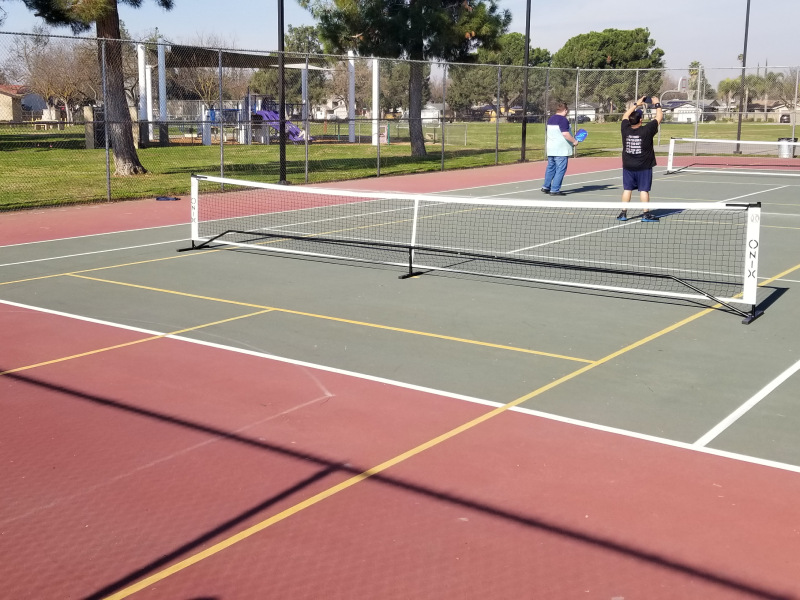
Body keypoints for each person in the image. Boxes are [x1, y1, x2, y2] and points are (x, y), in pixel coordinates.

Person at [617, 96, 663, 222]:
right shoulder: (647, 130)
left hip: (628, 166)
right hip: (643, 167)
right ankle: (646, 214)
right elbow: (659, 117)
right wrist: (657, 103)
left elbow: (625, 116)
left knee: (627, 189)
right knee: (644, 190)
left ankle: (623, 213)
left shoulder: (625, 128)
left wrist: (636, 104)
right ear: (641, 120)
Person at [541, 102, 581, 196]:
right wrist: (574, 141)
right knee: (560, 169)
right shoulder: (563, 120)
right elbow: (565, 134)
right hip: (561, 150)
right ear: (566, 110)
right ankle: (554, 189)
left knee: (551, 167)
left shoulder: (550, 119)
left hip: (551, 149)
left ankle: (546, 187)